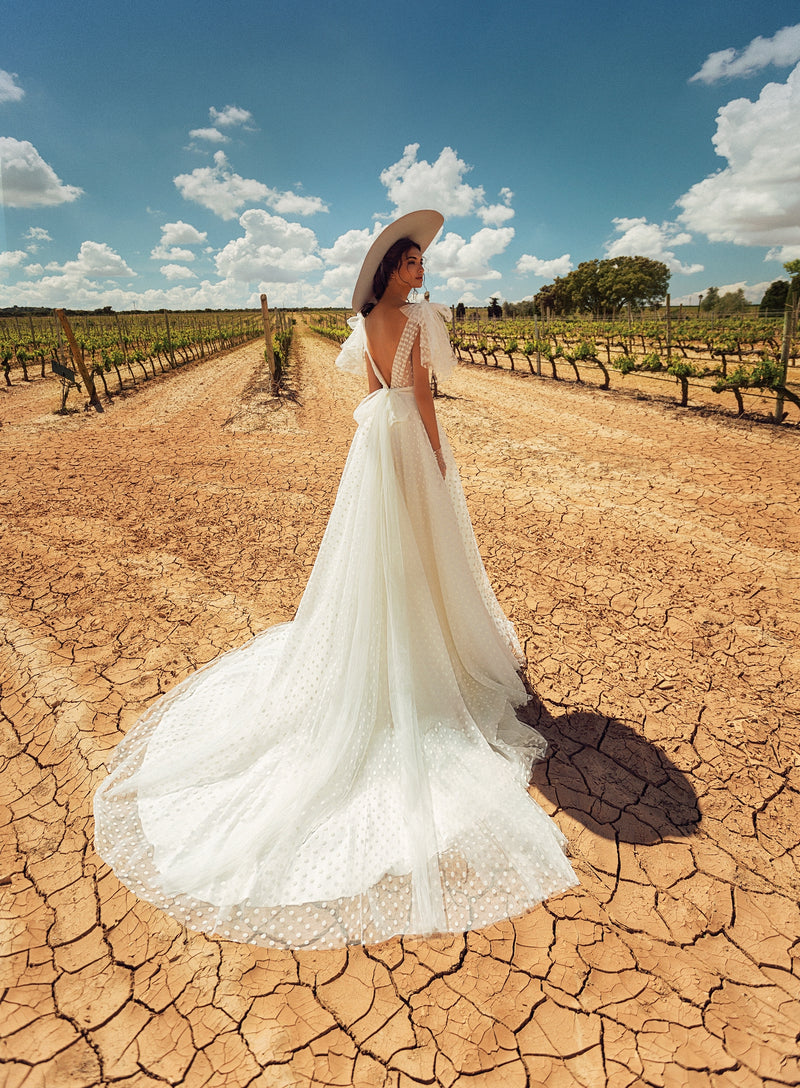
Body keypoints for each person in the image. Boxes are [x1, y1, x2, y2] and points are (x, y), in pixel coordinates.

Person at [93, 210, 577, 950]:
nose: (421, 270)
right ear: (392, 270)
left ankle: (403, 638)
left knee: (384, 553)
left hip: (374, 447)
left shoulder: (366, 322)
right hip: (407, 441)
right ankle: (434, 654)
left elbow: (378, 382)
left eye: (420, 262)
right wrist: (442, 462)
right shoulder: (420, 319)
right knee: (425, 542)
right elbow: (421, 395)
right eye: (412, 261)